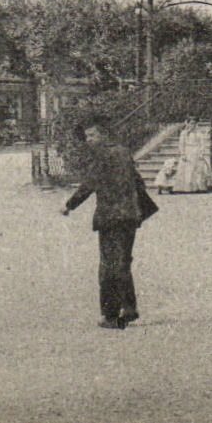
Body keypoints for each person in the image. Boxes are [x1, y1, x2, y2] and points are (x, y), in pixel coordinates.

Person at [61, 118, 159, 329]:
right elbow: (137, 181)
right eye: (87, 136)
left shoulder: (102, 155)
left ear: (104, 135)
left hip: (110, 216)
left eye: (92, 135)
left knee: (108, 266)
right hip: (130, 215)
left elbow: (90, 183)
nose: (88, 140)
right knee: (122, 261)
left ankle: (111, 315)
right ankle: (129, 307)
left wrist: (69, 205)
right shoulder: (124, 152)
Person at [172, 118, 212, 193]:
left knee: (198, 170)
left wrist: (201, 153)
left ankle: (198, 188)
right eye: (191, 123)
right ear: (188, 124)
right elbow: (181, 144)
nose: (192, 125)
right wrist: (183, 154)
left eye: (194, 123)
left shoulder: (199, 133)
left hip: (196, 152)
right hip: (187, 151)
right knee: (187, 169)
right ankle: (186, 188)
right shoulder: (184, 133)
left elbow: (202, 144)